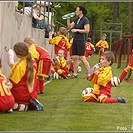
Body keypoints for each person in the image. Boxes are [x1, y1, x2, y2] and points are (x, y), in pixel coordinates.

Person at [8, 42, 44, 111]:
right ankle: (30, 103)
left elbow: (13, 81)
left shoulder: (21, 65)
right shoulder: (32, 61)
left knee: (7, 102)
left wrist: (12, 65)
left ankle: (26, 107)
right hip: (32, 93)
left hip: (21, 94)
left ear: (18, 55)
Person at [67, 6, 90, 78]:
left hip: (81, 40)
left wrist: (77, 30)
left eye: (77, 10)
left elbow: (87, 30)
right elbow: (69, 27)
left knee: (82, 57)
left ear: (81, 11)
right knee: (74, 57)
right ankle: (75, 73)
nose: (75, 11)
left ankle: (90, 72)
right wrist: (68, 19)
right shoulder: (76, 19)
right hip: (75, 39)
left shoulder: (85, 20)